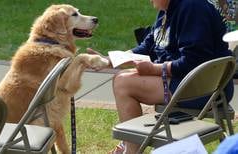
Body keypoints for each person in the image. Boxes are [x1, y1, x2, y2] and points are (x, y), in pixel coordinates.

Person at [89, 0, 234, 153]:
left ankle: (130, 150)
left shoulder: (192, 7)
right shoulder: (167, 9)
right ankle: (129, 146)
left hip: (205, 89)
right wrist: (108, 60)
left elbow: (192, 61)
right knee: (124, 77)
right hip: (193, 83)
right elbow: (147, 48)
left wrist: (154, 69)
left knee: (123, 83)